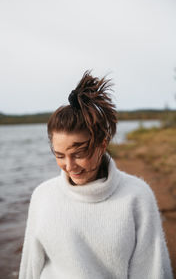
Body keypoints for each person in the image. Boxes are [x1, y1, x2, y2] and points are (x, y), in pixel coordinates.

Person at [19, 71, 173, 279]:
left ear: (102, 145)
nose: (70, 165)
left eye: (79, 154)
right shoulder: (43, 196)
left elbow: (152, 272)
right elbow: (30, 268)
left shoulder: (137, 196)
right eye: (60, 155)